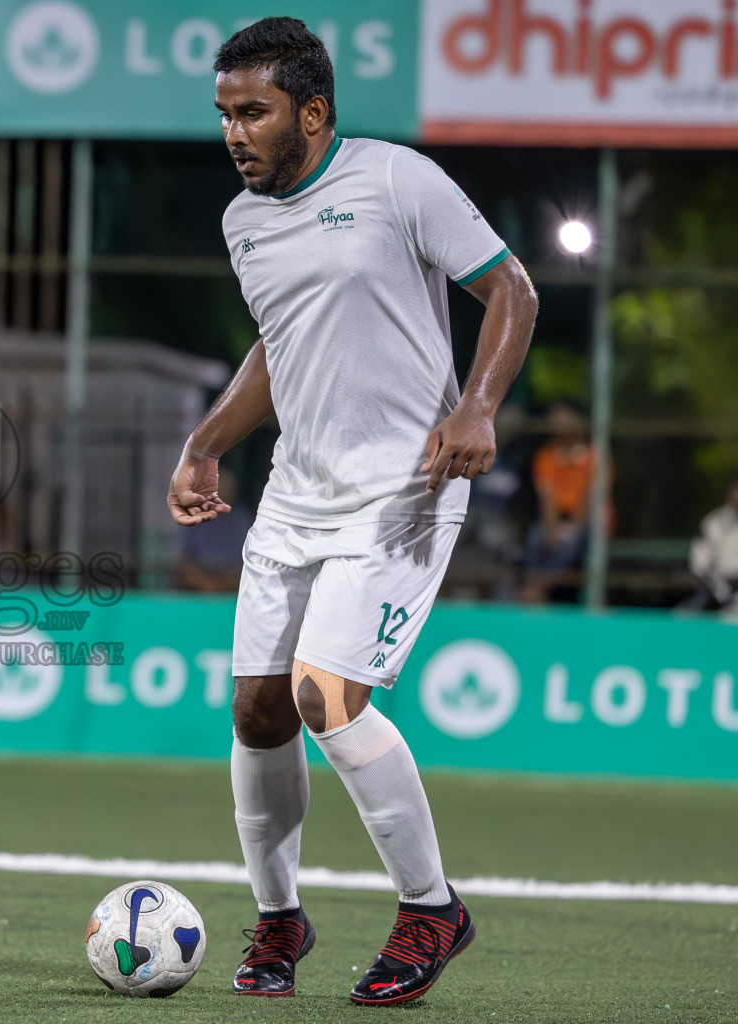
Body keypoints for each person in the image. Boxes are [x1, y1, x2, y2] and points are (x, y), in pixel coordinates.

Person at [167, 19, 537, 1007]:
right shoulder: (243, 223)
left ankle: (431, 907)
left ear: (313, 112)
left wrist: (478, 406)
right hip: (296, 491)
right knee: (256, 707)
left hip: (404, 485)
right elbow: (277, 349)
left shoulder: (394, 181)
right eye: (224, 115)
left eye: (254, 112)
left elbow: (512, 289)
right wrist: (208, 440)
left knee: (325, 694)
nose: (235, 133)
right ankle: (281, 920)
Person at [522, 400, 607, 601]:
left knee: (574, 539)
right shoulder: (546, 457)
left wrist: (571, 528)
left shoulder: (595, 457)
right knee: (537, 535)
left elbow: (591, 499)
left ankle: (540, 590)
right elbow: (547, 499)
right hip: (557, 520)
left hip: (586, 522)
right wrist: (552, 530)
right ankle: (533, 586)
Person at [177, 469, 254, 592]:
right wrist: (206, 582)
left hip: (234, 582)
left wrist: (224, 583)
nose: (221, 492)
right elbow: (184, 560)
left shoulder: (242, 518)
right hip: (199, 584)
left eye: (226, 486)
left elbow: (252, 560)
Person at [687, 477, 738, 612]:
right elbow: (700, 561)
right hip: (713, 587)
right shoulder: (714, 521)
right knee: (684, 616)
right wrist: (717, 585)